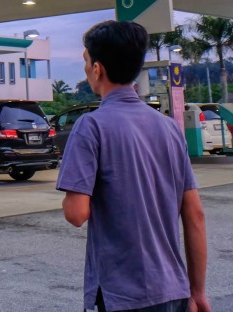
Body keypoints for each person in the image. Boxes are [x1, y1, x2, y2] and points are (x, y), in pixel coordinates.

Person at [57, 21, 209, 312]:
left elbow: (76, 214)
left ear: (98, 69)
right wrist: (197, 291)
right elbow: (195, 215)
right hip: (173, 291)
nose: (87, 69)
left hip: (120, 295)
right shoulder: (169, 128)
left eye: (86, 62)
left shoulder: (90, 126)